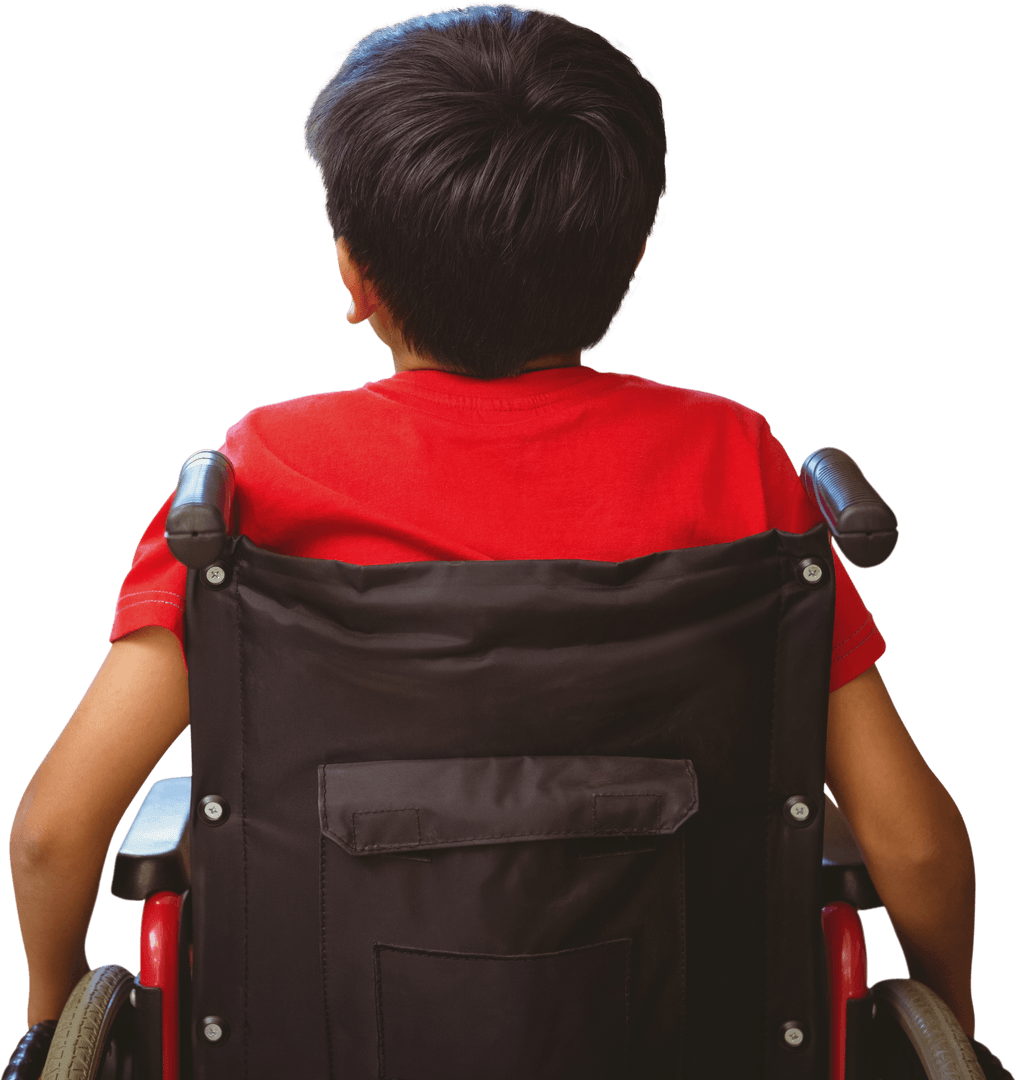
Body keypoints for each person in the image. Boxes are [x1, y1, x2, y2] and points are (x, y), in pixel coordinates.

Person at [7, 5, 1006, 1078]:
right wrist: (952, 1021)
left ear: (354, 273)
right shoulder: (732, 462)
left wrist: (51, 1012)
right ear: (626, 264)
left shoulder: (260, 476)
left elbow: (54, 833)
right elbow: (913, 847)